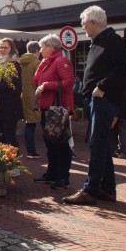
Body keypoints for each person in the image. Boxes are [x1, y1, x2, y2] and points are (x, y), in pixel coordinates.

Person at [63, 6, 126, 205]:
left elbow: (124, 67)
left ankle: (90, 190)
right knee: (101, 143)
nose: (82, 27)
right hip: (96, 100)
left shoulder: (112, 40)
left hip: (103, 99)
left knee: (97, 143)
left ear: (93, 22)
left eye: (84, 23)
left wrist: (101, 87)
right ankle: (107, 189)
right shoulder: (99, 41)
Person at [33, 34, 75, 189]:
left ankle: (63, 177)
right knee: (51, 143)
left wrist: (45, 86)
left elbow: (69, 82)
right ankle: (52, 173)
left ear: (50, 47)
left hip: (57, 108)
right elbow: (36, 80)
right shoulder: (47, 62)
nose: (40, 50)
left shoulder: (61, 61)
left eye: (42, 47)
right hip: (47, 107)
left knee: (61, 144)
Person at [19, 41, 42, 158]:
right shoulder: (36, 62)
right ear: (37, 51)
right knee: (34, 124)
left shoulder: (20, 62)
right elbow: (40, 81)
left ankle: (30, 150)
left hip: (23, 94)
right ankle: (31, 151)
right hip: (34, 96)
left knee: (29, 123)